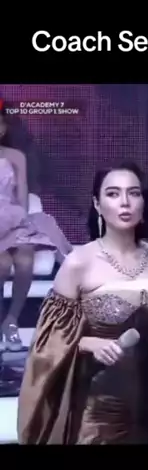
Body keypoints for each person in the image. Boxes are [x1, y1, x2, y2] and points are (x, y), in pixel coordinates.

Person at [17, 161, 148, 444]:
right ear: (97, 205)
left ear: (144, 201)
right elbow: (46, 344)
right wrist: (89, 343)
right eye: (113, 194)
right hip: (99, 410)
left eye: (133, 193)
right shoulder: (79, 263)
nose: (124, 202)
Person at [0, 112, 72, 352]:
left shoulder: (16, 156)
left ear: (3, 129)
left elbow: (22, 192)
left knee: (25, 258)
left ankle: (11, 321)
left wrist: (18, 219)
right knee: (2, 263)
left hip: (12, 217)